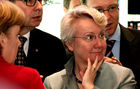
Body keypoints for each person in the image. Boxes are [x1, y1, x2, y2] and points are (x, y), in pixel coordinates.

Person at [44, 5, 136, 89]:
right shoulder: (53, 83)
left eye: (101, 36)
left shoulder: (122, 77)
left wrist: (90, 87)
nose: (99, 44)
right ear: (70, 44)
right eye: (89, 37)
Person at [81, 0, 140, 87]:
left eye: (112, 8)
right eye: (99, 10)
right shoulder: (72, 48)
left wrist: (125, 77)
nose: (107, 17)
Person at [9, 0, 67, 81]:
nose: (39, 7)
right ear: (8, 4)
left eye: (40, 0)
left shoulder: (53, 45)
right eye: (29, 1)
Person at [0, 1, 45, 89]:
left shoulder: (54, 45)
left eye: (41, 1)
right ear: (2, 38)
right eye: (17, 35)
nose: (19, 42)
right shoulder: (29, 77)